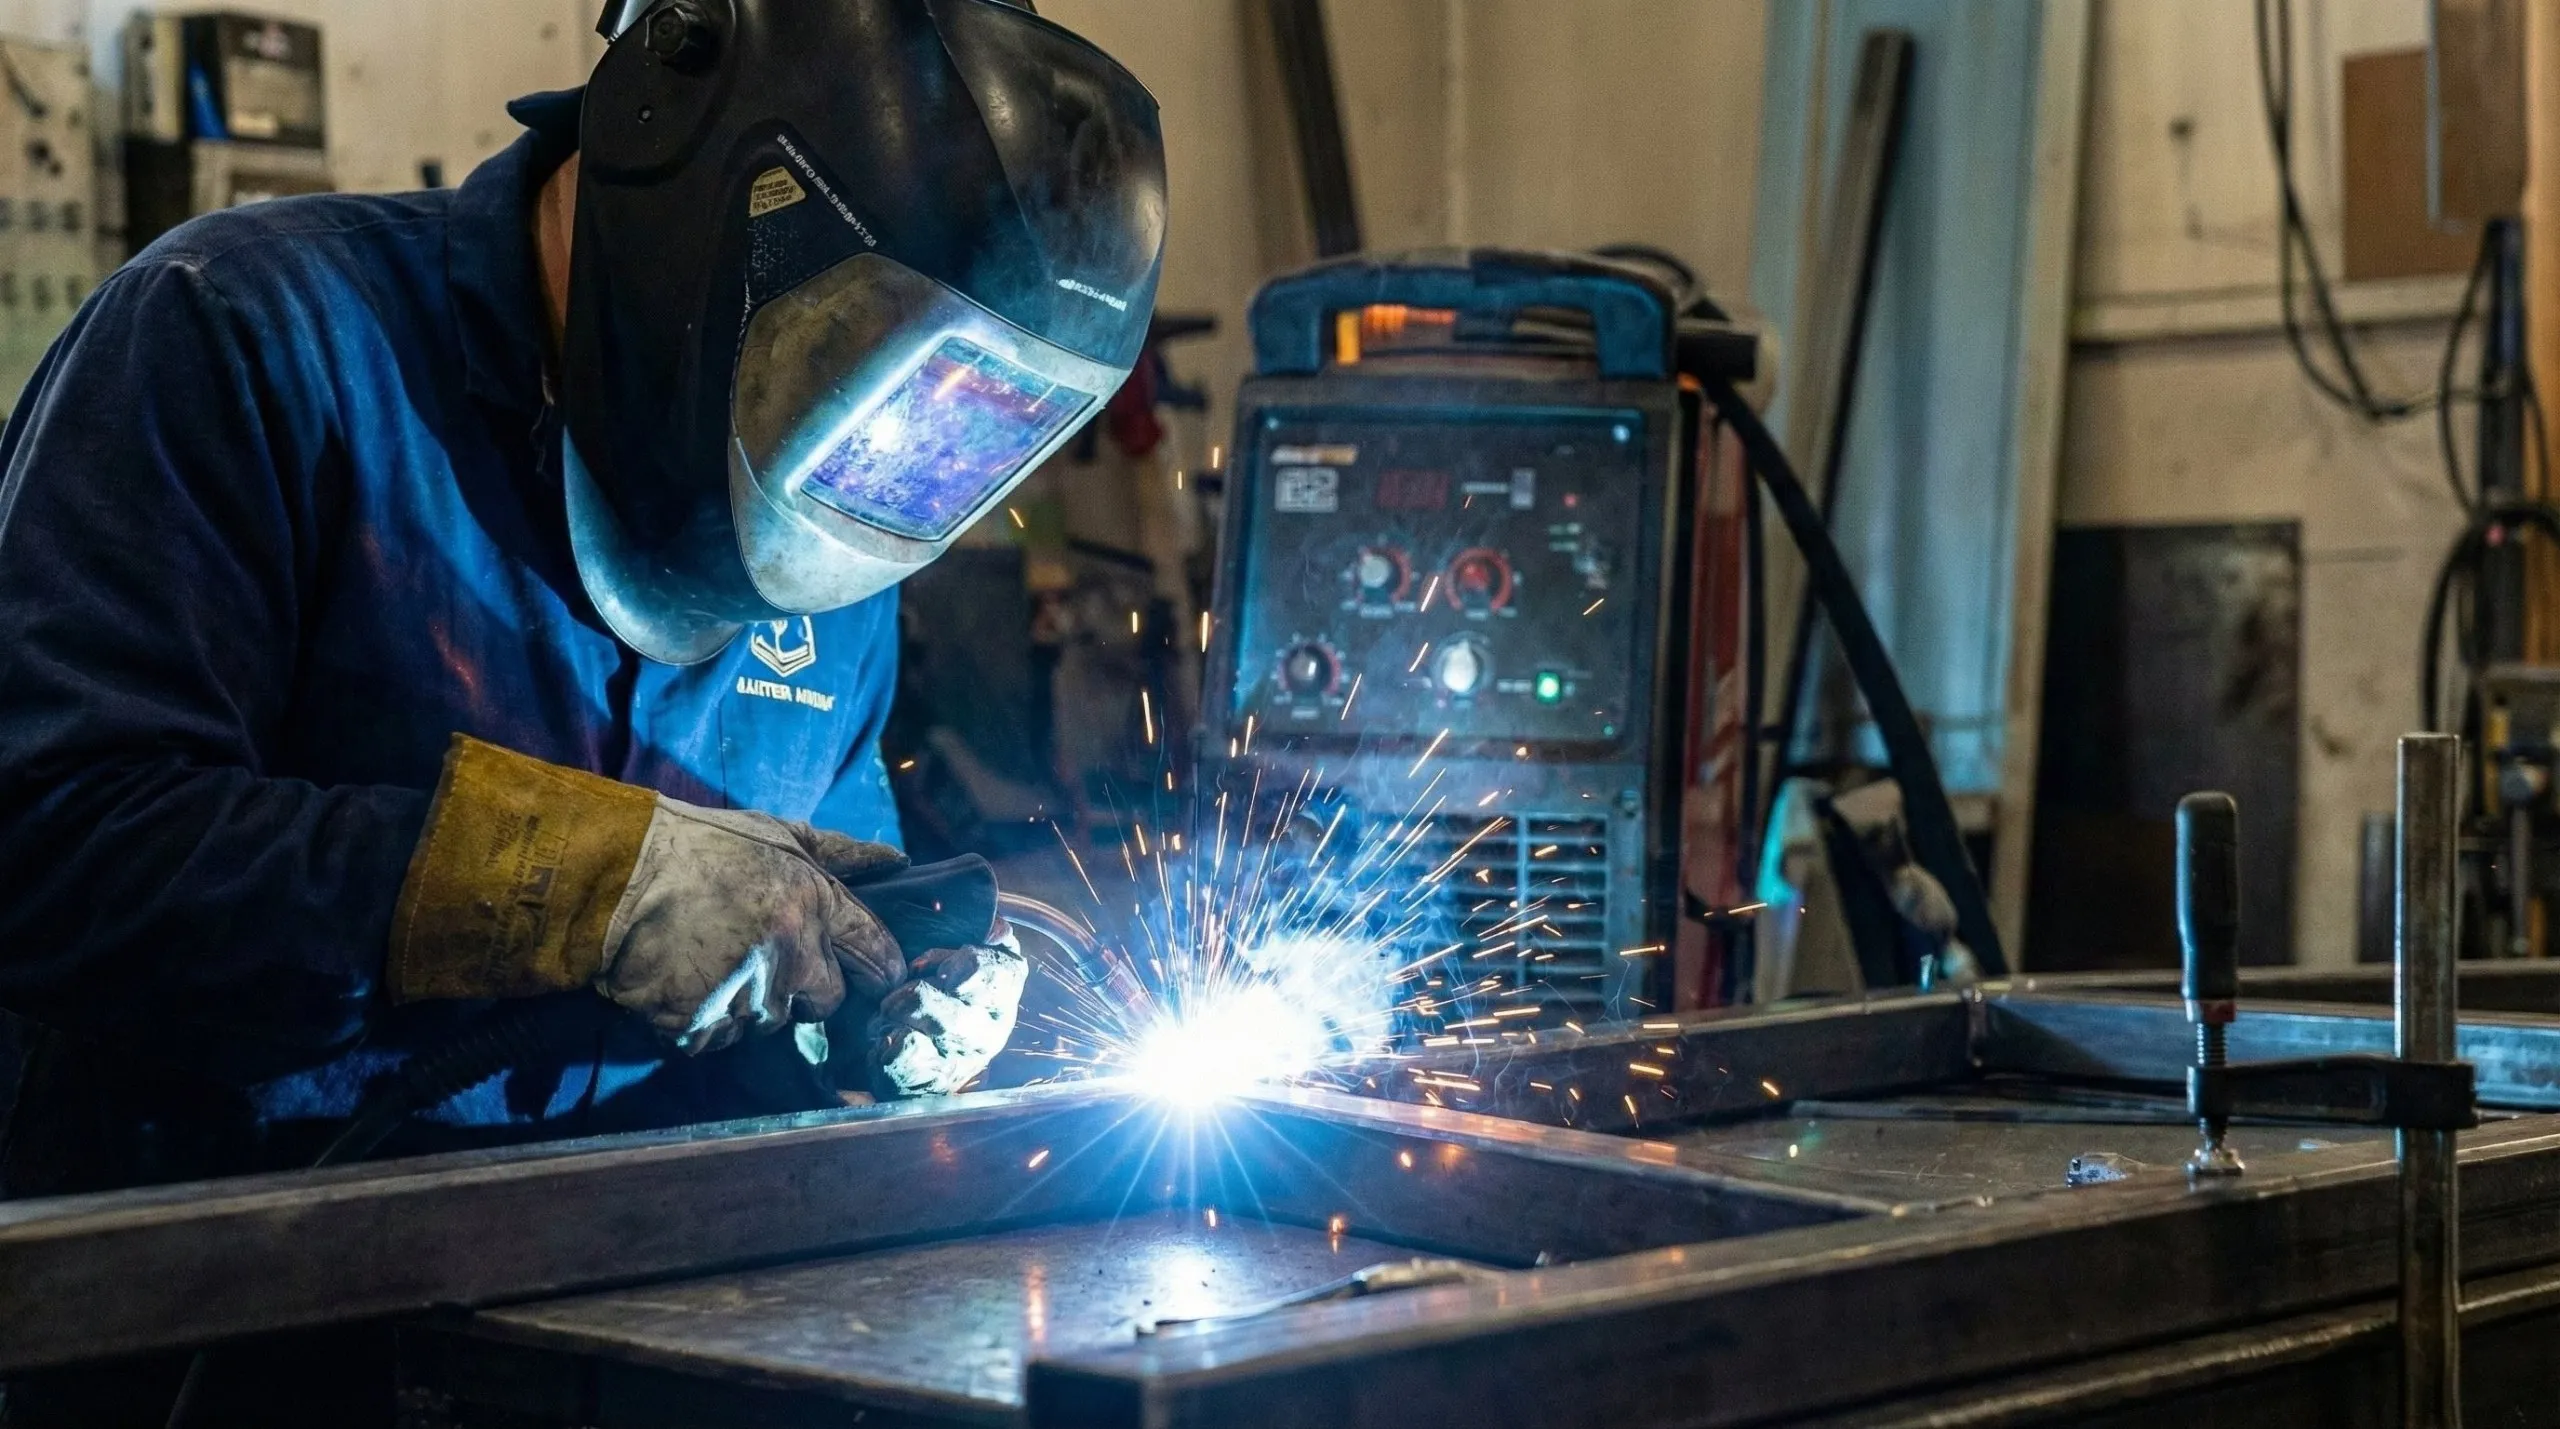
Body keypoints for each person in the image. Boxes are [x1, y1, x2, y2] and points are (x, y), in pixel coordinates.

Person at [0, 2, 1162, 1419]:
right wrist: (572, 882)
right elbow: (51, 844)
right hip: (226, 1355)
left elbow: (801, 920)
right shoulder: (247, 336)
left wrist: (874, 999)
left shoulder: (845, 523)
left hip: (637, 1355)